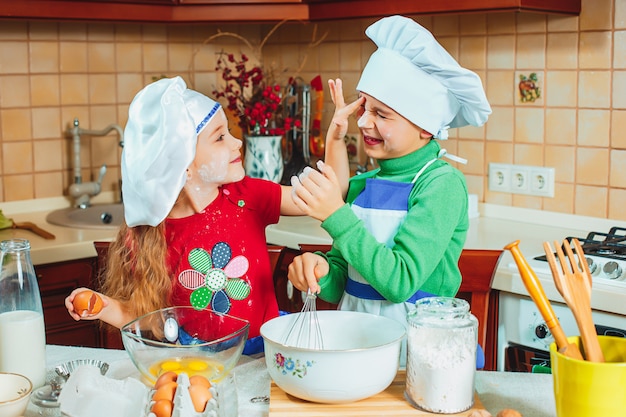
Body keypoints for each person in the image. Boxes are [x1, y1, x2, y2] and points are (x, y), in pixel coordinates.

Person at [287, 15, 492, 365]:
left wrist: (336, 215)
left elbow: (399, 282)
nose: (364, 121)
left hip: (419, 362)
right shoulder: (364, 185)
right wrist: (319, 270)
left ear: (425, 128)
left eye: (381, 113)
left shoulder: (440, 185)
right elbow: (344, 277)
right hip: (360, 351)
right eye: (364, 107)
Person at [65, 76, 311, 355]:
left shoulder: (247, 196)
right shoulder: (151, 236)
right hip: (198, 365)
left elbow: (318, 198)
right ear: (183, 166)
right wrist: (103, 306)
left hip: (264, 354)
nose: (237, 143)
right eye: (220, 137)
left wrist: (336, 139)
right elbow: (150, 317)